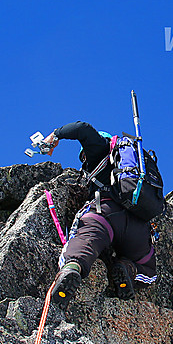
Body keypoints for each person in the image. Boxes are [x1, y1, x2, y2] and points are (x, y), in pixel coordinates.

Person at [42, 121, 157, 307]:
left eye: (83, 156)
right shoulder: (131, 169)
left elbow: (82, 129)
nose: (84, 161)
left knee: (81, 247)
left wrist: (54, 136)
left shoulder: (99, 150)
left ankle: (72, 269)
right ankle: (128, 268)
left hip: (104, 214)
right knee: (149, 270)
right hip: (138, 224)